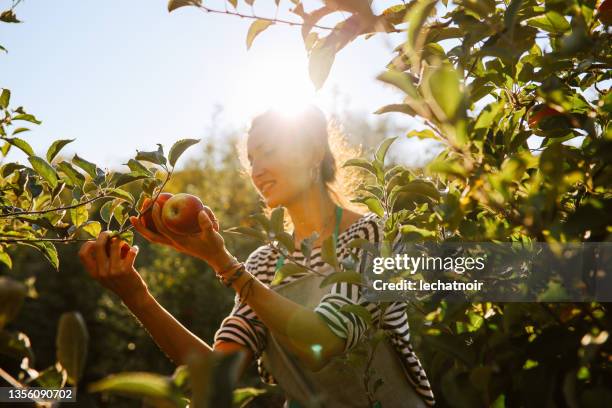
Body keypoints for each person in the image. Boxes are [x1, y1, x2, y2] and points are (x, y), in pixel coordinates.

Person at [79, 106, 435, 407]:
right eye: (252, 159)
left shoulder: (373, 235)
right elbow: (216, 376)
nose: (257, 169)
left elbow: (323, 341)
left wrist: (224, 264)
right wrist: (135, 296)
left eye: (268, 151)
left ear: (312, 152)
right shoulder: (265, 264)